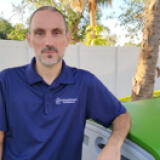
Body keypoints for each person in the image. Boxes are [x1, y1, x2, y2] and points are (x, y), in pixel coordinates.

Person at [0, 6, 131, 160]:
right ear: (29, 40)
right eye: (40, 33)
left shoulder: (84, 82)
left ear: (67, 39)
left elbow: (121, 115)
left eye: (56, 33)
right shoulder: (6, 81)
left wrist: (113, 146)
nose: (48, 42)